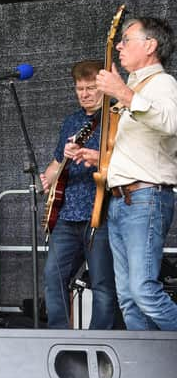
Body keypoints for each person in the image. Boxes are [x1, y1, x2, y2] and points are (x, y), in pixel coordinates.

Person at [96, 17, 177, 330]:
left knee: (143, 291)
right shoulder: (133, 88)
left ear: (150, 45)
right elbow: (138, 147)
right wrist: (98, 158)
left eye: (126, 39)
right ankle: (142, 371)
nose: (119, 45)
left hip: (146, 197)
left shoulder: (163, 84)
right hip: (121, 200)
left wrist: (124, 95)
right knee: (128, 296)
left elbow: (171, 123)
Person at [40, 60, 118, 330]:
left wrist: (95, 158)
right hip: (66, 214)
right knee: (53, 276)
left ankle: (100, 343)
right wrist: (48, 178)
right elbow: (55, 165)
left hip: (101, 213)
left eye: (91, 88)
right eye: (79, 88)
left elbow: (125, 162)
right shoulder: (72, 121)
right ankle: (59, 337)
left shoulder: (116, 118)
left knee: (102, 283)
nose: (84, 94)